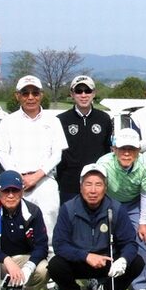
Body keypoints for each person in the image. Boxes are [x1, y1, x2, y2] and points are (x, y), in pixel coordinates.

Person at [0, 75, 67, 290]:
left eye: (35, 93)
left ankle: (52, 280)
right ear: (18, 96)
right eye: (25, 93)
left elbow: (57, 154)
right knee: (14, 233)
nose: (30, 97)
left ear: (41, 95)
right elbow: (2, 153)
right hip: (15, 185)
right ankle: (15, 282)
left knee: (49, 231)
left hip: (44, 181)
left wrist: (37, 175)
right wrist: (18, 178)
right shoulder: (8, 121)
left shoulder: (53, 121)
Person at [48, 164, 144, 290]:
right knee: (55, 265)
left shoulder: (116, 209)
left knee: (136, 262)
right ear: (81, 187)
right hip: (79, 260)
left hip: (107, 261)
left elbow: (130, 243)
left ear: (105, 188)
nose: (93, 190)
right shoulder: (68, 208)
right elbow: (59, 244)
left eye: (98, 184)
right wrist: (86, 256)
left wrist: (123, 260)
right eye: (88, 184)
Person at [96, 128, 146, 290]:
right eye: (122, 149)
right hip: (107, 202)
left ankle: (141, 285)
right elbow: (98, 190)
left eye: (131, 149)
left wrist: (143, 222)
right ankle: (100, 279)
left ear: (138, 150)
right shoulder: (103, 163)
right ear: (114, 149)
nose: (127, 153)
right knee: (101, 237)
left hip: (133, 204)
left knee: (144, 238)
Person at [56, 75, 113, 204]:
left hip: (96, 183)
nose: (83, 95)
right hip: (69, 184)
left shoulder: (104, 118)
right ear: (72, 94)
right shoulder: (60, 120)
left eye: (87, 91)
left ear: (94, 93)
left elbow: (107, 151)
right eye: (79, 91)